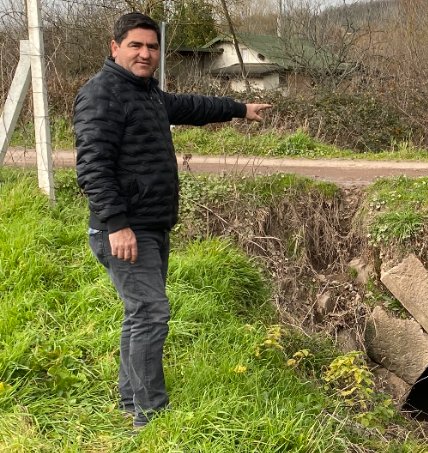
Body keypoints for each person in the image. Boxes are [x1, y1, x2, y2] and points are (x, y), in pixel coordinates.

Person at [73, 12, 271, 429]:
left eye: (152, 46)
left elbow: (190, 105)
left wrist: (239, 108)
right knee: (150, 313)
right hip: (128, 228)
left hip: (151, 223)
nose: (146, 53)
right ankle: (150, 415)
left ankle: (133, 401)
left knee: (140, 314)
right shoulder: (101, 95)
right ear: (115, 47)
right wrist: (117, 225)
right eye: (136, 45)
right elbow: (92, 169)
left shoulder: (146, 92)